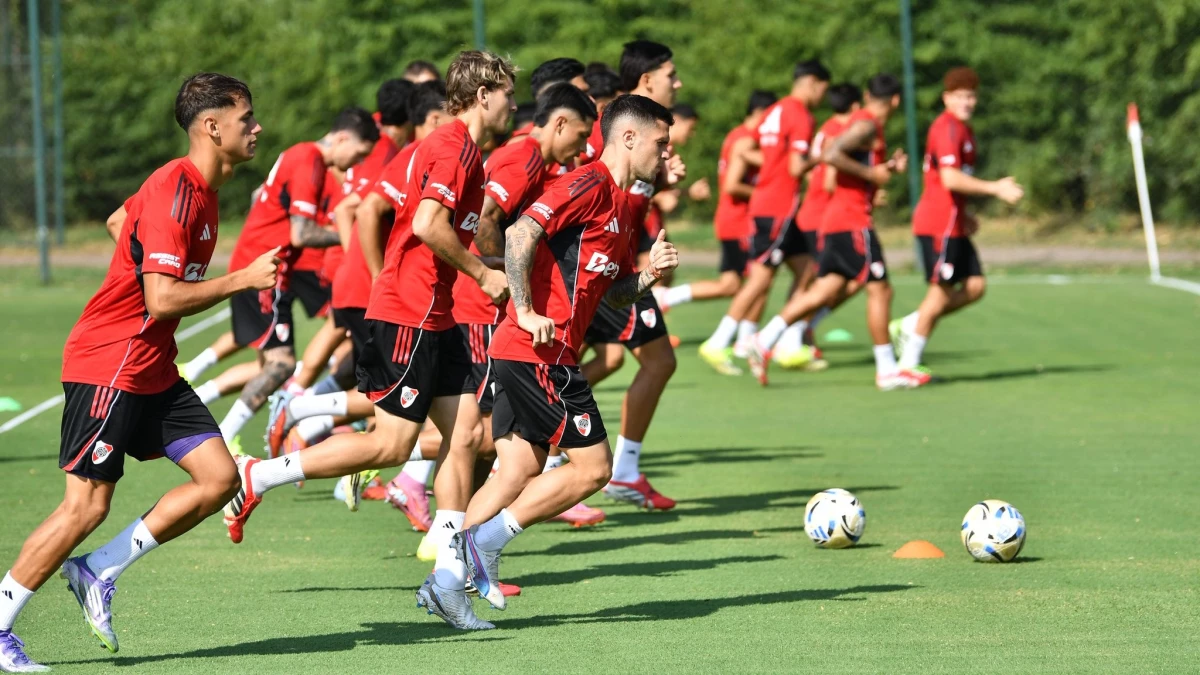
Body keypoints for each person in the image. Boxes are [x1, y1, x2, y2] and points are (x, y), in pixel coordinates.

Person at [221, 54, 516, 633]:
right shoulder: (452, 147)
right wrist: (481, 276)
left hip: (436, 315)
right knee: (390, 446)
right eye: (506, 92)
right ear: (483, 95)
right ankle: (260, 475)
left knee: (470, 437)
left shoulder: (452, 147)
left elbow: (400, 216)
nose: (511, 102)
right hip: (409, 315)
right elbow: (429, 224)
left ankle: (448, 583)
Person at [0, 73, 275, 672]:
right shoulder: (178, 188)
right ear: (211, 126)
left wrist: (139, 257)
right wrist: (241, 279)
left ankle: (98, 570)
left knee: (218, 477)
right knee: (85, 507)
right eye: (245, 117)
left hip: (150, 369)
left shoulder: (198, 189)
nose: (256, 127)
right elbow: (162, 300)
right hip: (112, 364)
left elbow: (117, 221)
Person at [426, 94, 679, 628]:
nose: (667, 150)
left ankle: (446, 583)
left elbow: (611, 296)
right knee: (595, 469)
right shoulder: (586, 183)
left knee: (517, 467)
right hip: (539, 350)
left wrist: (650, 275)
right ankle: (480, 547)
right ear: (629, 137)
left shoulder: (622, 204)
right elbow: (520, 232)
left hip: (532, 350)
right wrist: (525, 308)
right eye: (661, 141)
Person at [746, 74, 929, 391]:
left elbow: (850, 163)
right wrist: (872, 172)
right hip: (851, 219)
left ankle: (764, 338)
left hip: (837, 219)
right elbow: (832, 155)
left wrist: (883, 169)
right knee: (880, 290)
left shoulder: (862, 122)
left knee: (825, 288)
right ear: (896, 100)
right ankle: (887, 370)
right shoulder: (868, 123)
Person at [214, 108, 378, 447]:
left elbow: (258, 195)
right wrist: (357, 236)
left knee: (275, 363)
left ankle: (238, 432)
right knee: (281, 364)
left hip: (268, 267)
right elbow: (302, 234)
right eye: (358, 153)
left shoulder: (301, 156)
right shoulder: (309, 159)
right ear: (343, 138)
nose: (354, 163)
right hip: (262, 269)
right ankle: (226, 436)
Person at [578, 40, 685, 511]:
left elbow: (634, 191)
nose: (677, 83)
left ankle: (605, 466)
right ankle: (613, 470)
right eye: (671, 74)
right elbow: (598, 189)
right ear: (647, 81)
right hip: (604, 269)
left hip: (617, 267)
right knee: (657, 362)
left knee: (625, 362)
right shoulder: (618, 124)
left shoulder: (650, 129)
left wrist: (663, 179)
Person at [698, 60, 830, 375]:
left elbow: (745, 147)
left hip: (775, 206)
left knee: (806, 269)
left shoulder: (776, 110)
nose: (822, 97)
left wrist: (771, 163)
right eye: (823, 89)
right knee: (760, 278)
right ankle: (719, 341)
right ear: (812, 82)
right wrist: (826, 155)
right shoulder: (800, 114)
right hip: (778, 207)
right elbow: (798, 167)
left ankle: (787, 341)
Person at [891, 67, 1024, 373]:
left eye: (972, 96)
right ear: (947, 98)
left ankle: (911, 323)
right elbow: (949, 179)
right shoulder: (947, 128)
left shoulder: (964, 131)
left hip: (954, 224)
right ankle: (907, 366)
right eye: (961, 96)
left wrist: (965, 214)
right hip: (938, 225)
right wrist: (995, 188)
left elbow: (949, 180)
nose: (967, 102)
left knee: (975, 286)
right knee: (940, 294)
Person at [656, 91, 777, 334]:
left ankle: (743, 339)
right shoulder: (745, 140)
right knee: (758, 279)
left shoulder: (739, 138)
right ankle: (731, 340)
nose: (693, 133)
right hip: (739, 221)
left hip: (734, 220)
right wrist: (771, 192)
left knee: (745, 282)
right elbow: (731, 185)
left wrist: (685, 193)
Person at [770, 82, 862, 371]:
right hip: (826, 216)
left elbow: (815, 176)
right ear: (858, 108)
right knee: (845, 280)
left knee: (820, 281)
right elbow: (832, 180)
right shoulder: (842, 133)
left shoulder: (825, 127)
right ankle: (788, 337)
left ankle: (795, 335)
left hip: (817, 212)